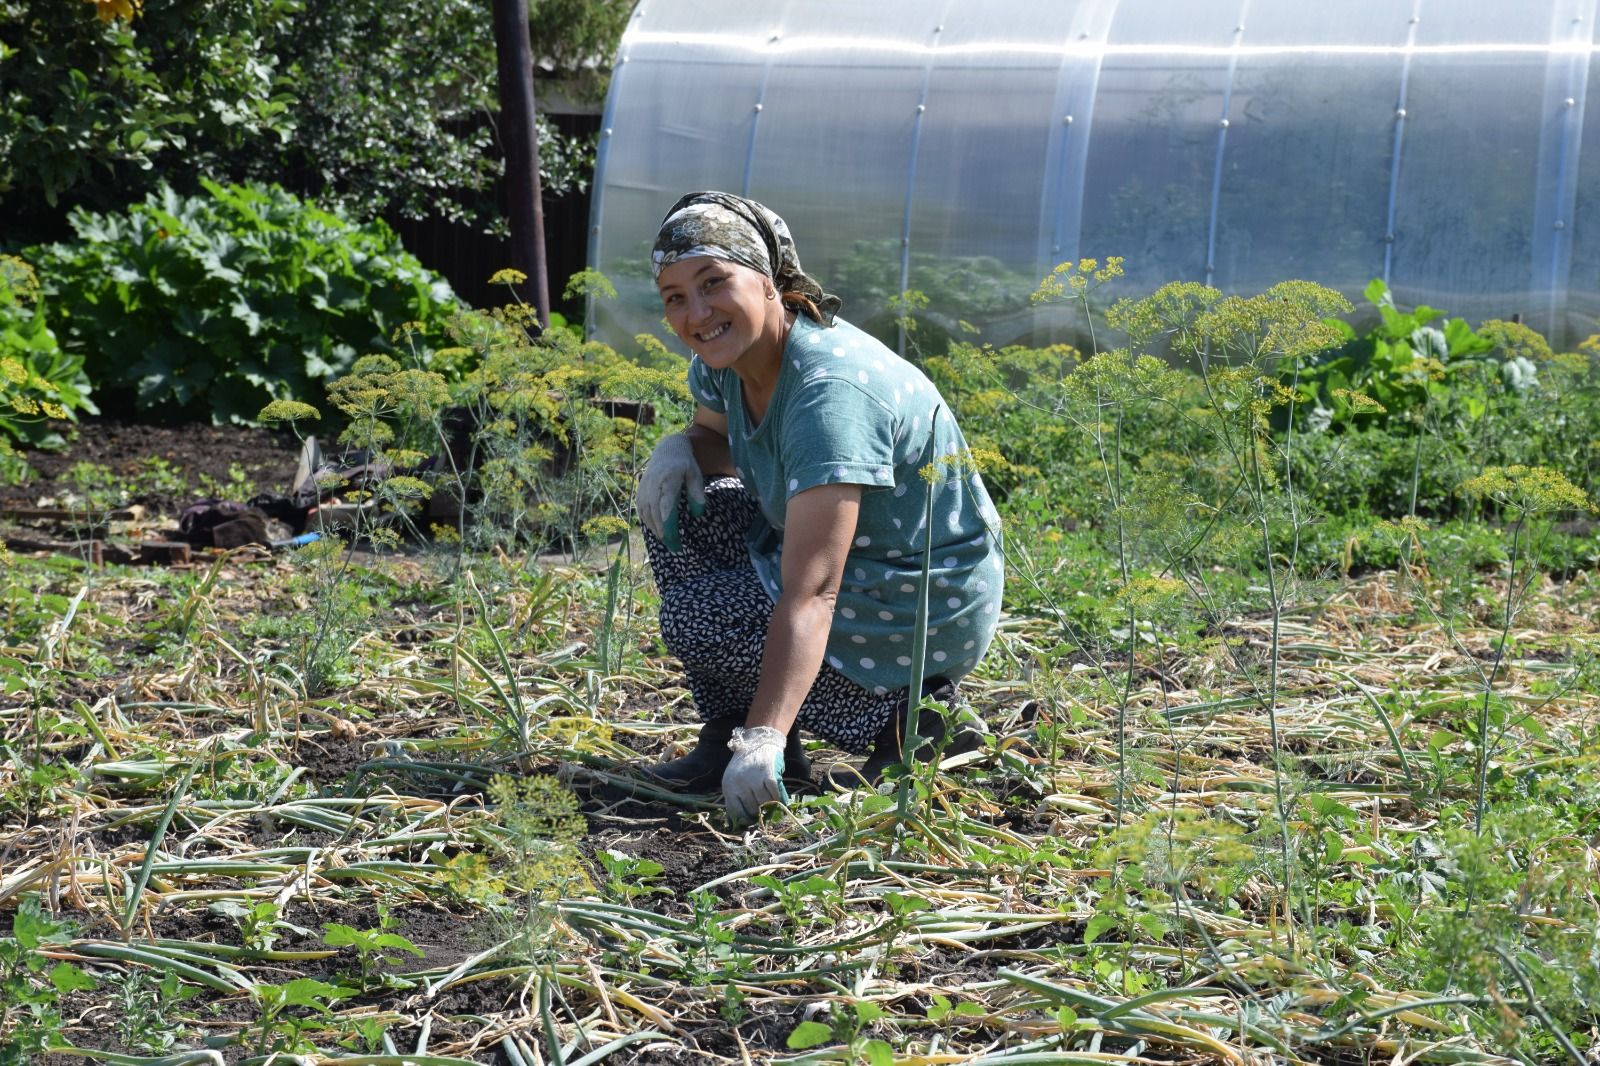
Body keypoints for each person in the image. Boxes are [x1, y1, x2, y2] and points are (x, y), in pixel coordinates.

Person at [634, 191, 1003, 826]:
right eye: (675, 296)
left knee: (700, 617)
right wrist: (681, 446)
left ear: (771, 282)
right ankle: (730, 732)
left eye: (714, 283)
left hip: (918, 595)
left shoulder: (829, 393)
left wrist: (766, 737)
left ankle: (914, 724)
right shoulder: (730, 359)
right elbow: (715, 441)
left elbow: (815, 591)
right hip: (847, 561)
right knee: (687, 509)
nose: (697, 312)